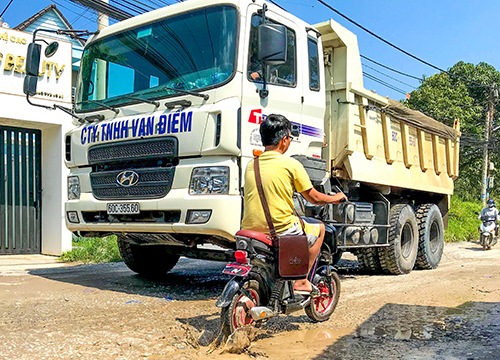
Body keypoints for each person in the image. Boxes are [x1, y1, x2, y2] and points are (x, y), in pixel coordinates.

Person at [241, 114, 347, 296]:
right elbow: (314, 198)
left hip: (250, 227)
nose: (289, 141)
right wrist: (336, 198)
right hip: (281, 228)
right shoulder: (291, 164)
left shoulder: (252, 164)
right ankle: (302, 281)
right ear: (284, 140)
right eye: (289, 138)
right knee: (320, 229)